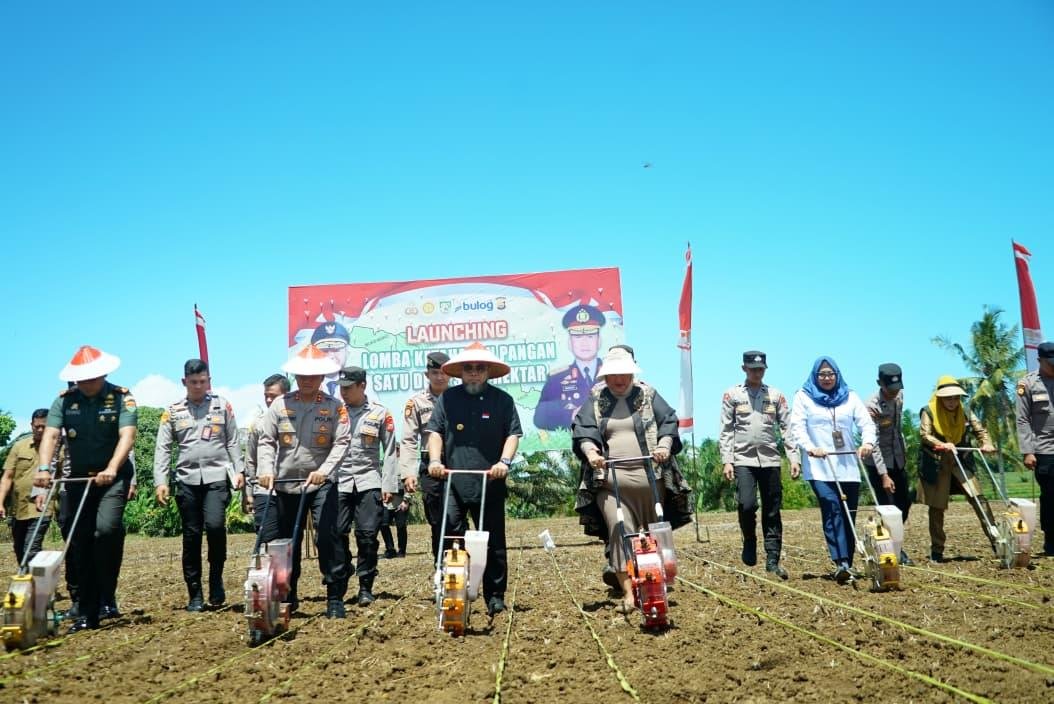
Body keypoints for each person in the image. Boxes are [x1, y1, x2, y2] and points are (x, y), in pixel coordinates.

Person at [571, 347, 692, 613]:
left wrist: (664, 445)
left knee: (653, 537)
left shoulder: (647, 394)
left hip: (651, 481)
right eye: (613, 375)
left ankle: (655, 585)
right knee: (619, 531)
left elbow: (668, 421)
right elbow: (584, 430)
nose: (619, 380)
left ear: (631, 373)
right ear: (605, 376)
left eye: (624, 374)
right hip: (611, 483)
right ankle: (628, 595)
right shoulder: (595, 398)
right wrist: (591, 452)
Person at [33, 345, 137, 633]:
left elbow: (127, 435)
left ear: (102, 374)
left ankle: (107, 595)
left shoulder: (122, 398)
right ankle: (88, 612)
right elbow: (52, 434)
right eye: (79, 379)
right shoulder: (64, 402)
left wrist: (113, 468)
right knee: (81, 543)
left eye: (89, 378)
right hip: (79, 480)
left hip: (112, 478)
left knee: (105, 531)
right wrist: (43, 468)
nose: (84, 384)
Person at [427, 342, 522, 616]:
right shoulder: (448, 399)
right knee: (452, 537)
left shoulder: (503, 401)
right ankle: (452, 589)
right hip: (454, 481)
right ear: (461, 372)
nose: (474, 373)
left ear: (488, 372)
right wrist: (435, 461)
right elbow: (435, 432)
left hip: (490, 481)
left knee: (493, 541)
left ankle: (495, 596)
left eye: (479, 369)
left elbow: (513, 435)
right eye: (468, 369)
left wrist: (504, 462)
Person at [256, 344, 351, 618]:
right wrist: (265, 469)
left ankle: (334, 597)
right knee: (287, 541)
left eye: (313, 376)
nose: (307, 380)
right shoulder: (280, 405)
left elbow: (342, 441)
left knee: (326, 535)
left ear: (322, 378)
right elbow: (266, 440)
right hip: (286, 482)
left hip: (320, 482)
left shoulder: (335, 407)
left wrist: (325, 470)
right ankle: (287, 594)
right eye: (302, 375)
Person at [153, 359, 244, 611]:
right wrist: (161, 481)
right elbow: (163, 449)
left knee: (215, 527)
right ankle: (194, 592)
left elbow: (233, 441)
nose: (198, 386)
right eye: (193, 382)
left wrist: (239, 471)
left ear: (208, 381)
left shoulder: (222, 405)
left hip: (216, 478)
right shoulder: (172, 411)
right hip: (187, 480)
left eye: (203, 381)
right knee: (191, 536)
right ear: (184, 382)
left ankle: (216, 580)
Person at [789, 357, 878, 584]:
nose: (827, 378)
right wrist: (810, 448)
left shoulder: (850, 397)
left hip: (847, 465)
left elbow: (866, 424)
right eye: (822, 375)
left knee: (849, 513)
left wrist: (867, 443)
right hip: (820, 467)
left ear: (837, 375)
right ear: (815, 376)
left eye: (830, 374)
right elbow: (797, 428)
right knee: (833, 508)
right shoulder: (803, 397)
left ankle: (848, 560)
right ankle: (840, 562)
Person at [719, 351, 799, 579]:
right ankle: (749, 539)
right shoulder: (732, 394)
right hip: (743, 459)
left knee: (772, 511)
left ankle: (772, 560)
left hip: (770, 459)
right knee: (746, 504)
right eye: (753, 369)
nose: (757, 372)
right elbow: (725, 430)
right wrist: (727, 460)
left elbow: (787, 428)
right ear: (744, 369)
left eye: (761, 369)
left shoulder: (775, 395)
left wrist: (794, 457)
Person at [334, 366, 399, 609]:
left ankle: (365, 586)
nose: (344, 393)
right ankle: (345, 568)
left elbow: (390, 451)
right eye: (341, 388)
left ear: (362, 386)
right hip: (339, 481)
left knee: (368, 535)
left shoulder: (380, 414)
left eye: (349, 388)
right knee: (336, 532)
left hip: (369, 480)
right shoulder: (333, 412)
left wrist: (388, 484)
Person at [918, 375, 998, 562]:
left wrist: (986, 443)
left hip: (961, 461)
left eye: (956, 398)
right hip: (938, 463)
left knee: (979, 499)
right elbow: (925, 435)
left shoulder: (965, 411)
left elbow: (980, 430)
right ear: (939, 397)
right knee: (937, 508)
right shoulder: (928, 411)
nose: (952, 402)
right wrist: (942, 444)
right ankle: (937, 551)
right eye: (948, 398)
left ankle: (997, 541)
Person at [399, 351, 450, 561]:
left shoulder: (461, 398)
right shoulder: (416, 403)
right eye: (435, 372)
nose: (440, 377)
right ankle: (441, 568)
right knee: (436, 520)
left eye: (444, 373)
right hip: (431, 466)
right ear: (427, 374)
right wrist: (408, 473)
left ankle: (461, 565)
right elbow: (409, 440)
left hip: (458, 463)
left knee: (457, 518)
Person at [862, 363, 914, 565]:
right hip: (877, 463)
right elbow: (872, 443)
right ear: (879, 384)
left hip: (897, 458)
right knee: (888, 507)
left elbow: (897, 431)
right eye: (889, 389)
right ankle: (893, 548)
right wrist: (884, 475)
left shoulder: (899, 396)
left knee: (904, 503)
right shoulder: (872, 406)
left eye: (897, 388)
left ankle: (887, 536)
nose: (894, 393)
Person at [534, 304, 606, 430]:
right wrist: (572, 414)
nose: (584, 343)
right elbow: (539, 417)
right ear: (569, 342)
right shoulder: (556, 378)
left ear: (599, 340)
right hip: (573, 443)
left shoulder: (612, 373)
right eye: (578, 337)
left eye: (590, 336)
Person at [1, 409, 58, 565]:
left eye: (44, 427)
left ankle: (29, 585)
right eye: (36, 426)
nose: (40, 430)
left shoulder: (57, 446)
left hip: (42, 507)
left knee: (31, 549)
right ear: (31, 425)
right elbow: (7, 477)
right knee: (19, 549)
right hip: (19, 508)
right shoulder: (19, 446)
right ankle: (36, 583)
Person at [1016, 341, 1054, 556]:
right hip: (1044, 450)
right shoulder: (1027, 384)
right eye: (1050, 363)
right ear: (1040, 361)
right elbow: (1022, 420)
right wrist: (1027, 451)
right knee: (1050, 497)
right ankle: (1051, 542)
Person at [243, 373, 291, 527]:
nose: (269, 400)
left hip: (291, 489)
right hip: (263, 490)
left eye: (273, 396)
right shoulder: (258, 424)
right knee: (266, 536)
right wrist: (248, 493)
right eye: (266, 396)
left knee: (290, 539)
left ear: (286, 395)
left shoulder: (298, 421)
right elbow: (250, 460)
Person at [311, 320, 351, 398]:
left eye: (336, 349)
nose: (330, 356)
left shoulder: (360, 384)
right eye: (324, 351)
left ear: (347, 352)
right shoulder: (303, 385)